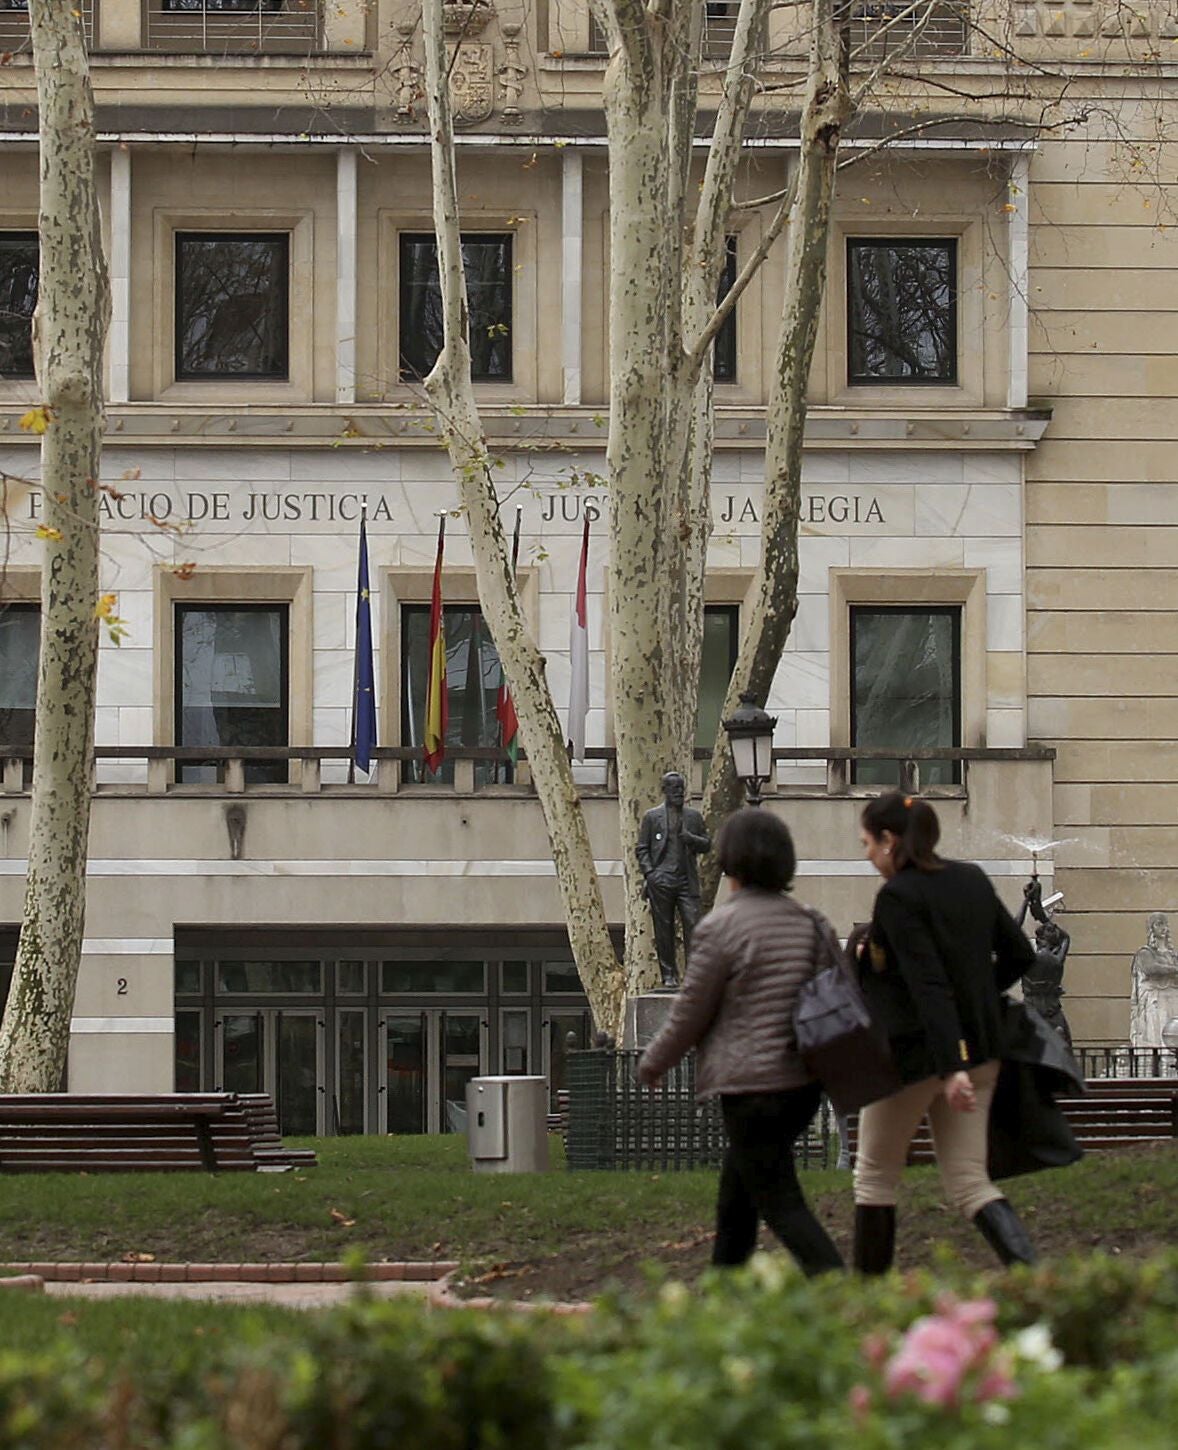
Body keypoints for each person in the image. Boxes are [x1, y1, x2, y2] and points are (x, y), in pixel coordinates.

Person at [637, 808, 844, 1275]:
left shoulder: (719, 927)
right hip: (804, 1085)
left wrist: (653, 1063)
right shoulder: (814, 924)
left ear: (730, 860)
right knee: (739, 1192)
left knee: (779, 1199)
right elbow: (841, 995)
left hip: (750, 1087)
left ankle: (840, 1290)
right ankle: (724, 1288)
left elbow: (690, 1011)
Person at [852, 792, 1037, 1273]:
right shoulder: (971, 879)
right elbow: (1020, 955)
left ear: (890, 841)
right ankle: (1033, 1276)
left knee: (874, 1177)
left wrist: (948, 1062)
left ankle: (864, 1302)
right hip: (981, 1052)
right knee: (970, 1182)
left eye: (868, 844)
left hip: (915, 1059)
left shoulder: (897, 896)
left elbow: (926, 983)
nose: (867, 855)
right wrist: (975, 1004)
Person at [636, 771, 712, 988]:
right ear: (665, 791)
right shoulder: (652, 817)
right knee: (664, 929)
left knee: (694, 926)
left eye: (681, 788)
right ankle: (668, 975)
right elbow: (642, 848)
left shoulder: (693, 817)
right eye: (674, 788)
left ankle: (694, 975)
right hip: (661, 880)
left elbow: (706, 844)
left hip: (686, 880)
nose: (679, 792)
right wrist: (651, 874)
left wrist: (691, 839)